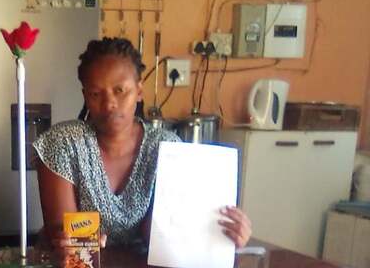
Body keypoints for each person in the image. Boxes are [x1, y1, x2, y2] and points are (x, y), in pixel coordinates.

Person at [33, 37, 251, 250]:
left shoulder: (166, 148)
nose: (109, 104)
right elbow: (66, 238)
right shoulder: (64, 144)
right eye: (96, 93)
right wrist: (72, 244)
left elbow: (167, 233)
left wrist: (224, 235)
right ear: (85, 96)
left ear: (139, 91)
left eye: (120, 91)